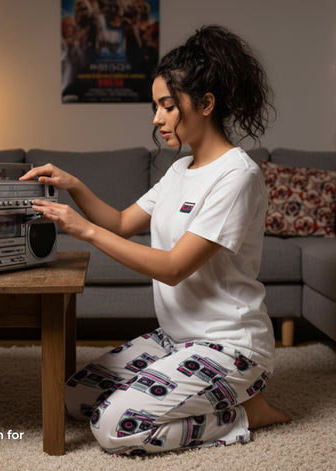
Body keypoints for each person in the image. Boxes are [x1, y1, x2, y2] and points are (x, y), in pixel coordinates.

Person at [20, 25, 291, 455]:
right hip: (176, 338)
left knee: (112, 427)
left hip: (230, 344)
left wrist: (83, 230)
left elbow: (173, 267)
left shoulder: (238, 175)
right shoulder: (180, 169)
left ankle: (242, 412)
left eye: (168, 106)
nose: (156, 118)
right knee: (74, 398)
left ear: (205, 105)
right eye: (155, 106)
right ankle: (208, 393)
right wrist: (74, 185)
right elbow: (124, 221)